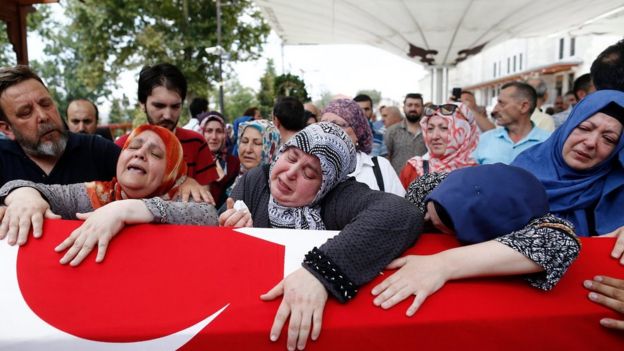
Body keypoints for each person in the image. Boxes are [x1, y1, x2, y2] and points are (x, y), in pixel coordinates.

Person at [219, 122, 421, 350]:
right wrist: (230, 230)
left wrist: (321, 272)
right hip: (245, 320)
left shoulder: (338, 196)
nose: (291, 173)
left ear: (326, 184)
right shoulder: (254, 181)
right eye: (292, 158)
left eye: (309, 173)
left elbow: (402, 213)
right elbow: (219, 235)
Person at [372, 164, 580, 316]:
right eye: (429, 209)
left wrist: (442, 265)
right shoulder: (428, 186)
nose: (423, 218)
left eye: (437, 225)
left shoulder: (531, 218)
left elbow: (560, 242)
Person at [0, 125, 218, 264]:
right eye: (133, 147)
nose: (140, 154)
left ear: (170, 172)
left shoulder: (182, 196)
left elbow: (208, 216)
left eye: (155, 154)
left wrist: (126, 210)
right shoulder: (95, 194)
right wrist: (24, 196)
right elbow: (38, 190)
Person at [512, 90, 624, 250]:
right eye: (585, 128)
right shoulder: (519, 174)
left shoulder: (615, 194)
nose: (591, 142)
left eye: (608, 139)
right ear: (568, 126)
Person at [0, 65, 120, 187]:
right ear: (7, 129)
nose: (43, 116)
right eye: (26, 112)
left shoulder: (98, 150)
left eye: (46, 104)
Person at [115, 63, 219, 194]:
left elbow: (204, 201)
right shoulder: (121, 146)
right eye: (159, 106)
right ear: (142, 104)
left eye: (175, 106)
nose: (168, 115)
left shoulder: (196, 143)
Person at [321, 99, 405, 196]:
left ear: (357, 133)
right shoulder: (312, 169)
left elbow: (401, 209)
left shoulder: (380, 167)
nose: (328, 130)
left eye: (337, 125)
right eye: (323, 125)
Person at [399, 103, 478, 188]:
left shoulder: (478, 174)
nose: (434, 136)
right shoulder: (413, 169)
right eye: (430, 129)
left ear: (463, 132)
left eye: (444, 128)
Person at [473, 82, 551, 165]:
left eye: (501, 103)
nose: (495, 110)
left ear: (524, 107)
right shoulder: (484, 140)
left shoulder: (549, 143)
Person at [199, 111, 240, 208]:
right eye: (209, 131)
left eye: (219, 131)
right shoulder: (193, 161)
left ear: (225, 134)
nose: (214, 137)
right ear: (201, 133)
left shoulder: (233, 163)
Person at [229, 119, 280, 195]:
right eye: (244, 141)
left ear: (271, 149)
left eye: (257, 143)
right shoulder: (233, 181)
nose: (248, 149)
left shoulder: (277, 192)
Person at [385, 93, 427, 174]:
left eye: (417, 105)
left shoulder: (429, 131)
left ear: (422, 108)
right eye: (410, 105)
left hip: (424, 182)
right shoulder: (392, 131)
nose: (413, 108)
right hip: (398, 182)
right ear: (404, 107)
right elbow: (386, 159)